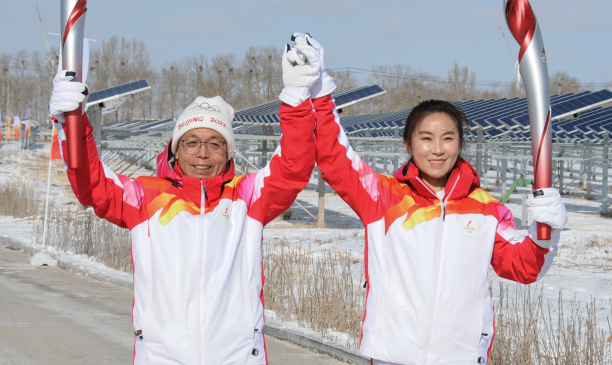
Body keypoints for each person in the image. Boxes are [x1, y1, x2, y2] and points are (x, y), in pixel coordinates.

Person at [291, 33, 567, 365]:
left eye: (448, 138)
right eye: (426, 138)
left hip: (460, 358)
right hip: (392, 356)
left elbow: (524, 268)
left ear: (460, 143)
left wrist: (546, 232)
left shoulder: (487, 209)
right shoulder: (383, 197)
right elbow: (334, 157)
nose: (437, 149)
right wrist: (319, 91)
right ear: (408, 144)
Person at [47, 40, 322, 364]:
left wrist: (297, 102)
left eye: (215, 144)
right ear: (175, 149)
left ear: (228, 152)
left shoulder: (246, 198)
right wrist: (71, 121)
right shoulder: (146, 197)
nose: (202, 153)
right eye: (191, 142)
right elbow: (91, 184)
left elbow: (293, 167)